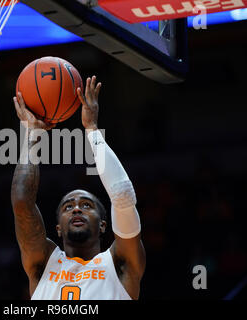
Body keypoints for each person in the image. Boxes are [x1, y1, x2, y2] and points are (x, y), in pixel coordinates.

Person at [11, 76, 146, 300]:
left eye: (86, 205)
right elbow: (22, 203)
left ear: (103, 225)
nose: (76, 209)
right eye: (67, 207)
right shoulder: (44, 263)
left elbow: (122, 195)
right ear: (58, 229)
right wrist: (32, 136)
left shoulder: (120, 265)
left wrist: (92, 130)